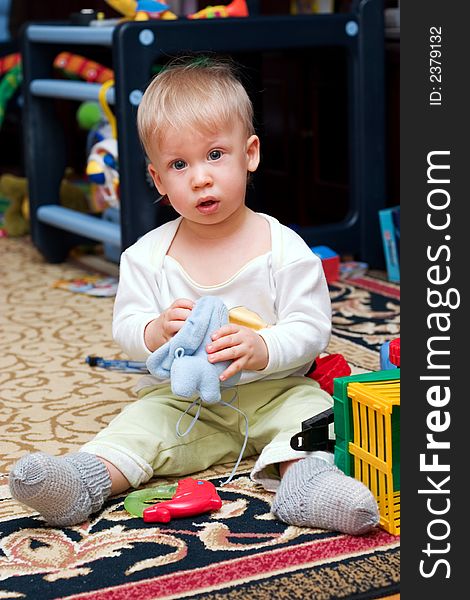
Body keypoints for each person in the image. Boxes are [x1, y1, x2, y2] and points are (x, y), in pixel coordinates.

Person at [9, 56, 379, 535]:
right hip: (185, 402)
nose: (200, 177)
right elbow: (127, 327)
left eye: (215, 155)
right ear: (159, 180)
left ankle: (306, 486)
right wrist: (156, 329)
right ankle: (84, 479)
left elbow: (311, 326)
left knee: (316, 420)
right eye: (179, 164)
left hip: (277, 390)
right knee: (139, 424)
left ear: (250, 154)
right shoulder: (147, 256)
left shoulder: (283, 247)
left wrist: (263, 348)